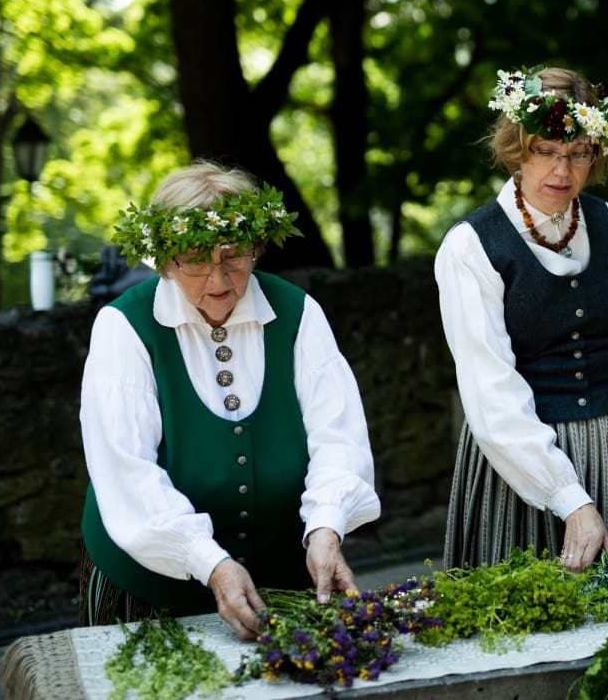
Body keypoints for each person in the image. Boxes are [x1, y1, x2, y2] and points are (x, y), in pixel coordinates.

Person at [78, 161, 381, 640]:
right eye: (195, 258)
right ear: (165, 258)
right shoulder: (124, 328)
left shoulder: (298, 314)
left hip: (279, 581)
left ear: (256, 247)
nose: (218, 279)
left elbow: (337, 436)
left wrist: (327, 525)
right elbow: (127, 471)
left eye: (233, 255)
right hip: (150, 586)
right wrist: (210, 562)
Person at [435, 66, 608, 573]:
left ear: (596, 153)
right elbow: (490, 392)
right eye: (545, 150)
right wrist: (568, 498)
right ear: (515, 148)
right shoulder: (470, 246)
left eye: (578, 153)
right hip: (520, 473)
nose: (562, 171)